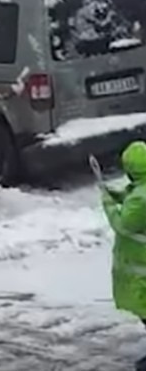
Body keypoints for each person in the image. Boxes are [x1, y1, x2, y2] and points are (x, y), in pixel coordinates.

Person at [102, 140, 146, 371]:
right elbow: (132, 197)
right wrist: (118, 195)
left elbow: (123, 224)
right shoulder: (140, 192)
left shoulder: (141, 198)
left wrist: (108, 204)